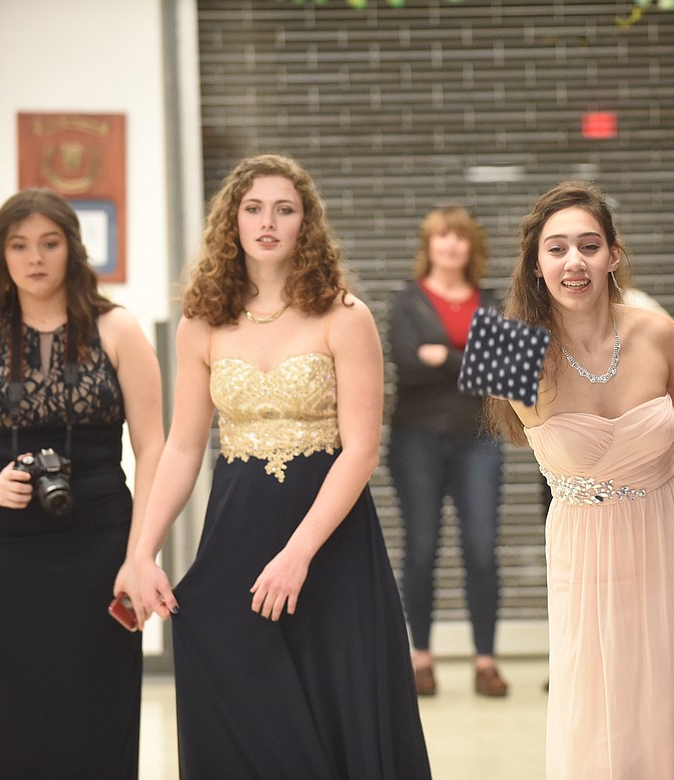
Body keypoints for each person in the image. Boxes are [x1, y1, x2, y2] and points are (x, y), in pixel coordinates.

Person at [132, 154, 431, 778]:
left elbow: (361, 449)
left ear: (305, 224)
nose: (268, 221)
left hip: (330, 537)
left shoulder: (345, 316)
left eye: (284, 209)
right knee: (236, 678)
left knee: (336, 698)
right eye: (253, 208)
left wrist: (298, 554)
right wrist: (144, 553)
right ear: (232, 221)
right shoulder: (201, 322)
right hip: (238, 523)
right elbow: (185, 448)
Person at [485, 180, 674, 779]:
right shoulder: (507, 346)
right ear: (535, 263)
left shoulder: (656, 331)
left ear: (613, 256)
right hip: (587, 551)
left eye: (589, 245)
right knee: (603, 711)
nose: (574, 261)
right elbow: (479, 439)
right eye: (556, 249)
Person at [0, 189, 164, 777]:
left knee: (97, 699)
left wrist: (141, 555)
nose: (34, 258)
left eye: (49, 242)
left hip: (101, 537)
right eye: (19, 245)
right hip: (5, 546)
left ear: (72, 249)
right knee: (9, 702)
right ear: (1, 255)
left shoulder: (117, 328)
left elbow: (153, 446)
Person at [387, 205, 508, 698]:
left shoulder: (492, 300)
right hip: (415, 438)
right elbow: (407, 367)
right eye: (442, 236)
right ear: (429, 245)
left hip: (479, 438)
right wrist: (470, 361)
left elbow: (502, 373)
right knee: (420, 550)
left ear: (470, 245)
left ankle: (485, 661)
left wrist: (444, 356)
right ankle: (421, 659)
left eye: (459, 236)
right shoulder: (407, 301)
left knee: (481, 550)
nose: (451, 245)